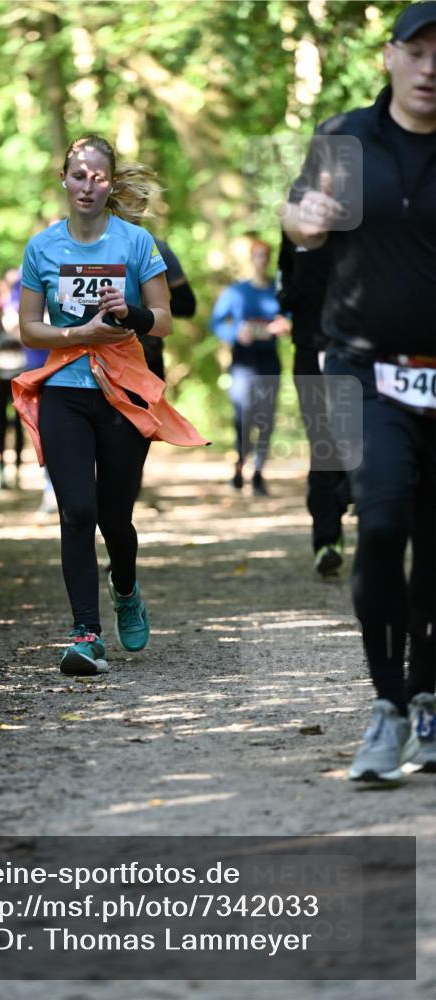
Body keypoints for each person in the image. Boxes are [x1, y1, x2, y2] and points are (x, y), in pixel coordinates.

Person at [281, 1, 436, 781]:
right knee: (377, 527)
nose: (430, 66)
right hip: (361, 373)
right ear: (389, 57)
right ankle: (386, 707)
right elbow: (290, 215)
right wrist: (301, 219)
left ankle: (427, 694)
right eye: (417, 51)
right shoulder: (343, 138)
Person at [13, 134, 207, 676]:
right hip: (65, 392)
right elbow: (28, 326)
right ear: (64, 180)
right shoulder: (42, 248)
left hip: (121, 392)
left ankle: (125, 587)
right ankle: (85, 634)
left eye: (98, 177)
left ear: (110, 182)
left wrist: (131, 315)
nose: (87, 185)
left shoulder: (136, 243)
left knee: (115, 516)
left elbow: (166, 319)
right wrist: (81, 333)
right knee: (77, 510)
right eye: (78, 175)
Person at [276, 234, 350, 576]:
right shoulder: (294, 233)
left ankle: (343, 500)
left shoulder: (357, 228)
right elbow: (285, 287)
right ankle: (326, 540)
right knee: (323, 444)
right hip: (308, 351)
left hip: (354, 352)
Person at [209, 240, 290, 496]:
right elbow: (217, 322)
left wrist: (284, 325)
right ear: (251, 258)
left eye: (265, 256)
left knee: (266, 419)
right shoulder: (237, 291)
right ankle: (239, 468)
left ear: (269, 259)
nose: (261, 260)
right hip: (243, 364)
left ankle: (258, 473)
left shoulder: (278, 291)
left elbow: (291, 317)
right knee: (243, 416)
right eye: (256, 255)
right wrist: (235, 332)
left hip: (269, 364)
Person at [0, 279, 27, 489]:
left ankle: (18, 471)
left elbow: (30, 336)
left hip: (19, 373)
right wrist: (9, 338)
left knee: (20, 421)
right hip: (0, 373)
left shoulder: (23, 311)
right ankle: (1, 470)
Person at [137, 238, 197, 380]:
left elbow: (187, 305)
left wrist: (153, 301)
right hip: (95, 355)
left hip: (148, 357)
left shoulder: (157, 249)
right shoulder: (82, 244)